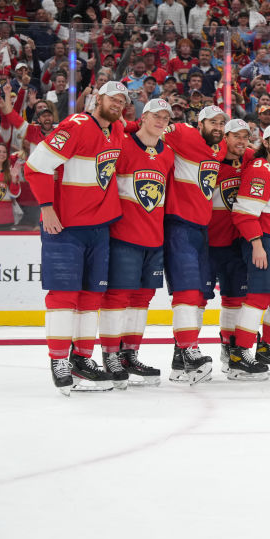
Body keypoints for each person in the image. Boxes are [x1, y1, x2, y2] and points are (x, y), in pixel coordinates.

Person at [24, 81, 129, 395]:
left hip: (99, 228)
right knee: (64, 296)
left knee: (90, 297)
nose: (118, 103)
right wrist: (47, 208)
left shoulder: (118, 130)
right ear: (97, 98)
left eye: (123, 100)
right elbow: (35, 167)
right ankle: (58, 360)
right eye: (113, 98)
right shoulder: (76, 125)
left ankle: (81, 359)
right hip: (65, 227)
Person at [99, 98, 175, 388]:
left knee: (142, 299)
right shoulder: (124, 145)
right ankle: (110, 355)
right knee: (118, 296)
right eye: (156, 116)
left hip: (154, 237)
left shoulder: (167, 153)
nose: (161, 121)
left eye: (165, 118)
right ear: (143, 118)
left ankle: (130, 353)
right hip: (124, 235)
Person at [161, 105, 228, 383]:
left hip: (202, 228)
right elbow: (147, 130)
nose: (218, 127)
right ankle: (189, 349)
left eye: (221, 123)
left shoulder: (221, 147)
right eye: (212, 121)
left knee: (200, 294)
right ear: (199, 123)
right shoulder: (181, 133)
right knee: (187, 290)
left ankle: (181, 358)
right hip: (178, 224)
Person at [228, 123, 270, 380]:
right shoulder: (260, 170)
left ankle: (267, 346)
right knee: (259, 296)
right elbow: (244, 212)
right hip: (266, 240)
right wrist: (257, 244)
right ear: (264, 143)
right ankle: (241, 352)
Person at [208, 119, 253, 373]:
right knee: (196, 299)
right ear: (225, 137)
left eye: (245, 137)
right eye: (236, 136)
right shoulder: (211, 158)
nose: (241, 141)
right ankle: (184, 352)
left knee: (235, 297)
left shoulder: (249, 156)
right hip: (210, 240)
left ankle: (230, 345)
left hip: (238, 242)